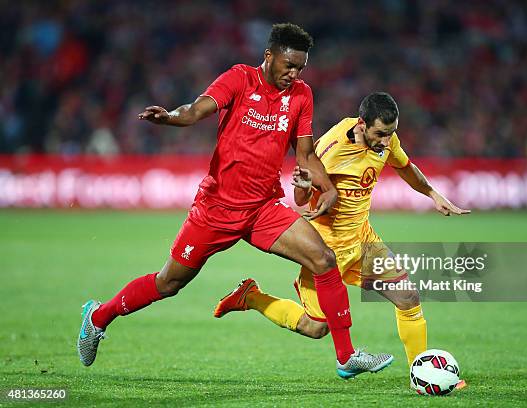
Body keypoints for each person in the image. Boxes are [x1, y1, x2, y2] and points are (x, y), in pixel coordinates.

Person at [78, 24, 394, 378]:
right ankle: (97, 317)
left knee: (323, 259)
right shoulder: (240, 79)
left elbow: (305, 155)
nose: (294, 74)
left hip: (263, 208)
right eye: (288, 65)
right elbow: (196, 109)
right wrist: (171, 118)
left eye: (300, 68)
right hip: (216, 209)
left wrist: (329, 188)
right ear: (269, 56)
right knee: (169, 283)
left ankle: (346, 357)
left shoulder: (302, 95)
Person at [214, 92, 470, 380]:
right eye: (381, 134)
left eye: (391, 134)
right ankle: (252, 297)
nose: (386, 141)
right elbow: (300, 196)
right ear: (362, 124)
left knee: (408, 297)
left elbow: (405, 167)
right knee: (316, 328)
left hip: (363, 243)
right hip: (323, 251)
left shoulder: (387, 141)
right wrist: (305, 185)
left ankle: (420, 374)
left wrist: (432, 194)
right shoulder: (330, 147)